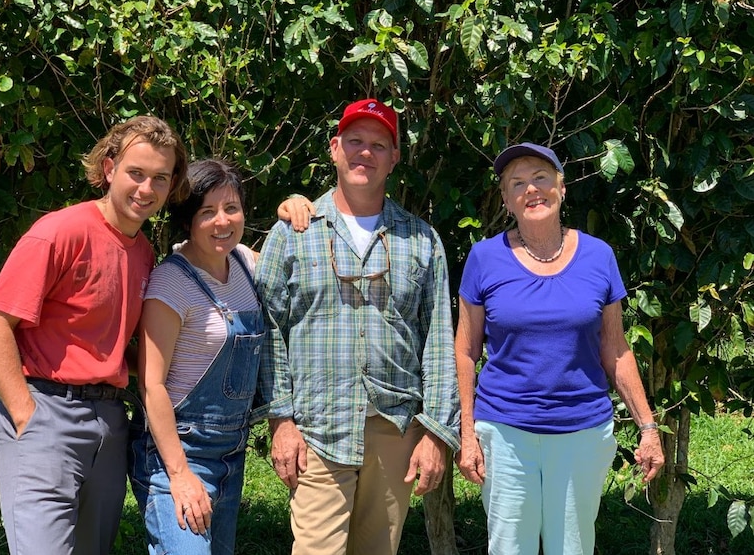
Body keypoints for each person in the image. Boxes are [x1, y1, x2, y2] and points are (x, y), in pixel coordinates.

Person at [254, 99, 461, 555]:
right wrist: (280, 420)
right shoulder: (294, 231)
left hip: (395, 428)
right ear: (334, 149)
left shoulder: (421, 239)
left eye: (378, 145)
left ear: (394, 157)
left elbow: (440, 343)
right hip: (317, 426)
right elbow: (267, 328)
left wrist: (436, 435)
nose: (365, 153)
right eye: (355, 142)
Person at [0, 115, 188, 555]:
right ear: (109, 169)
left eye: (160, 179)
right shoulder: (60, 232)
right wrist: (24, 414)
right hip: (46, 415)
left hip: (110, 424)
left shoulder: (145, 253)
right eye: (136, 173)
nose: (146, 189)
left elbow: (109, 346)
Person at [454, 142, 665, 554]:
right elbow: (465, 350)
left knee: (572, 547)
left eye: (540, 178)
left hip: (582, 433)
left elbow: (616, 349)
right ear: (506, 199)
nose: (531, 189)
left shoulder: (599, 256)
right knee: (509, 548)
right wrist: (466, 433)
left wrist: (648, 427)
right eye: (517, 183)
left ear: (561, 188)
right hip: (504, 430)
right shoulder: (483, 259)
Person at [128, 159, 314, 555]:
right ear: (187, 220)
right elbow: (151, 385)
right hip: (177, 455)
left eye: (231, 208)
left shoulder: (245, 262)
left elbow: (293, 263)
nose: (222, 221)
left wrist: (292, 206)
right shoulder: (170, 283)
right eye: (206, 212)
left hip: (232, 452)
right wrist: (179, 475)